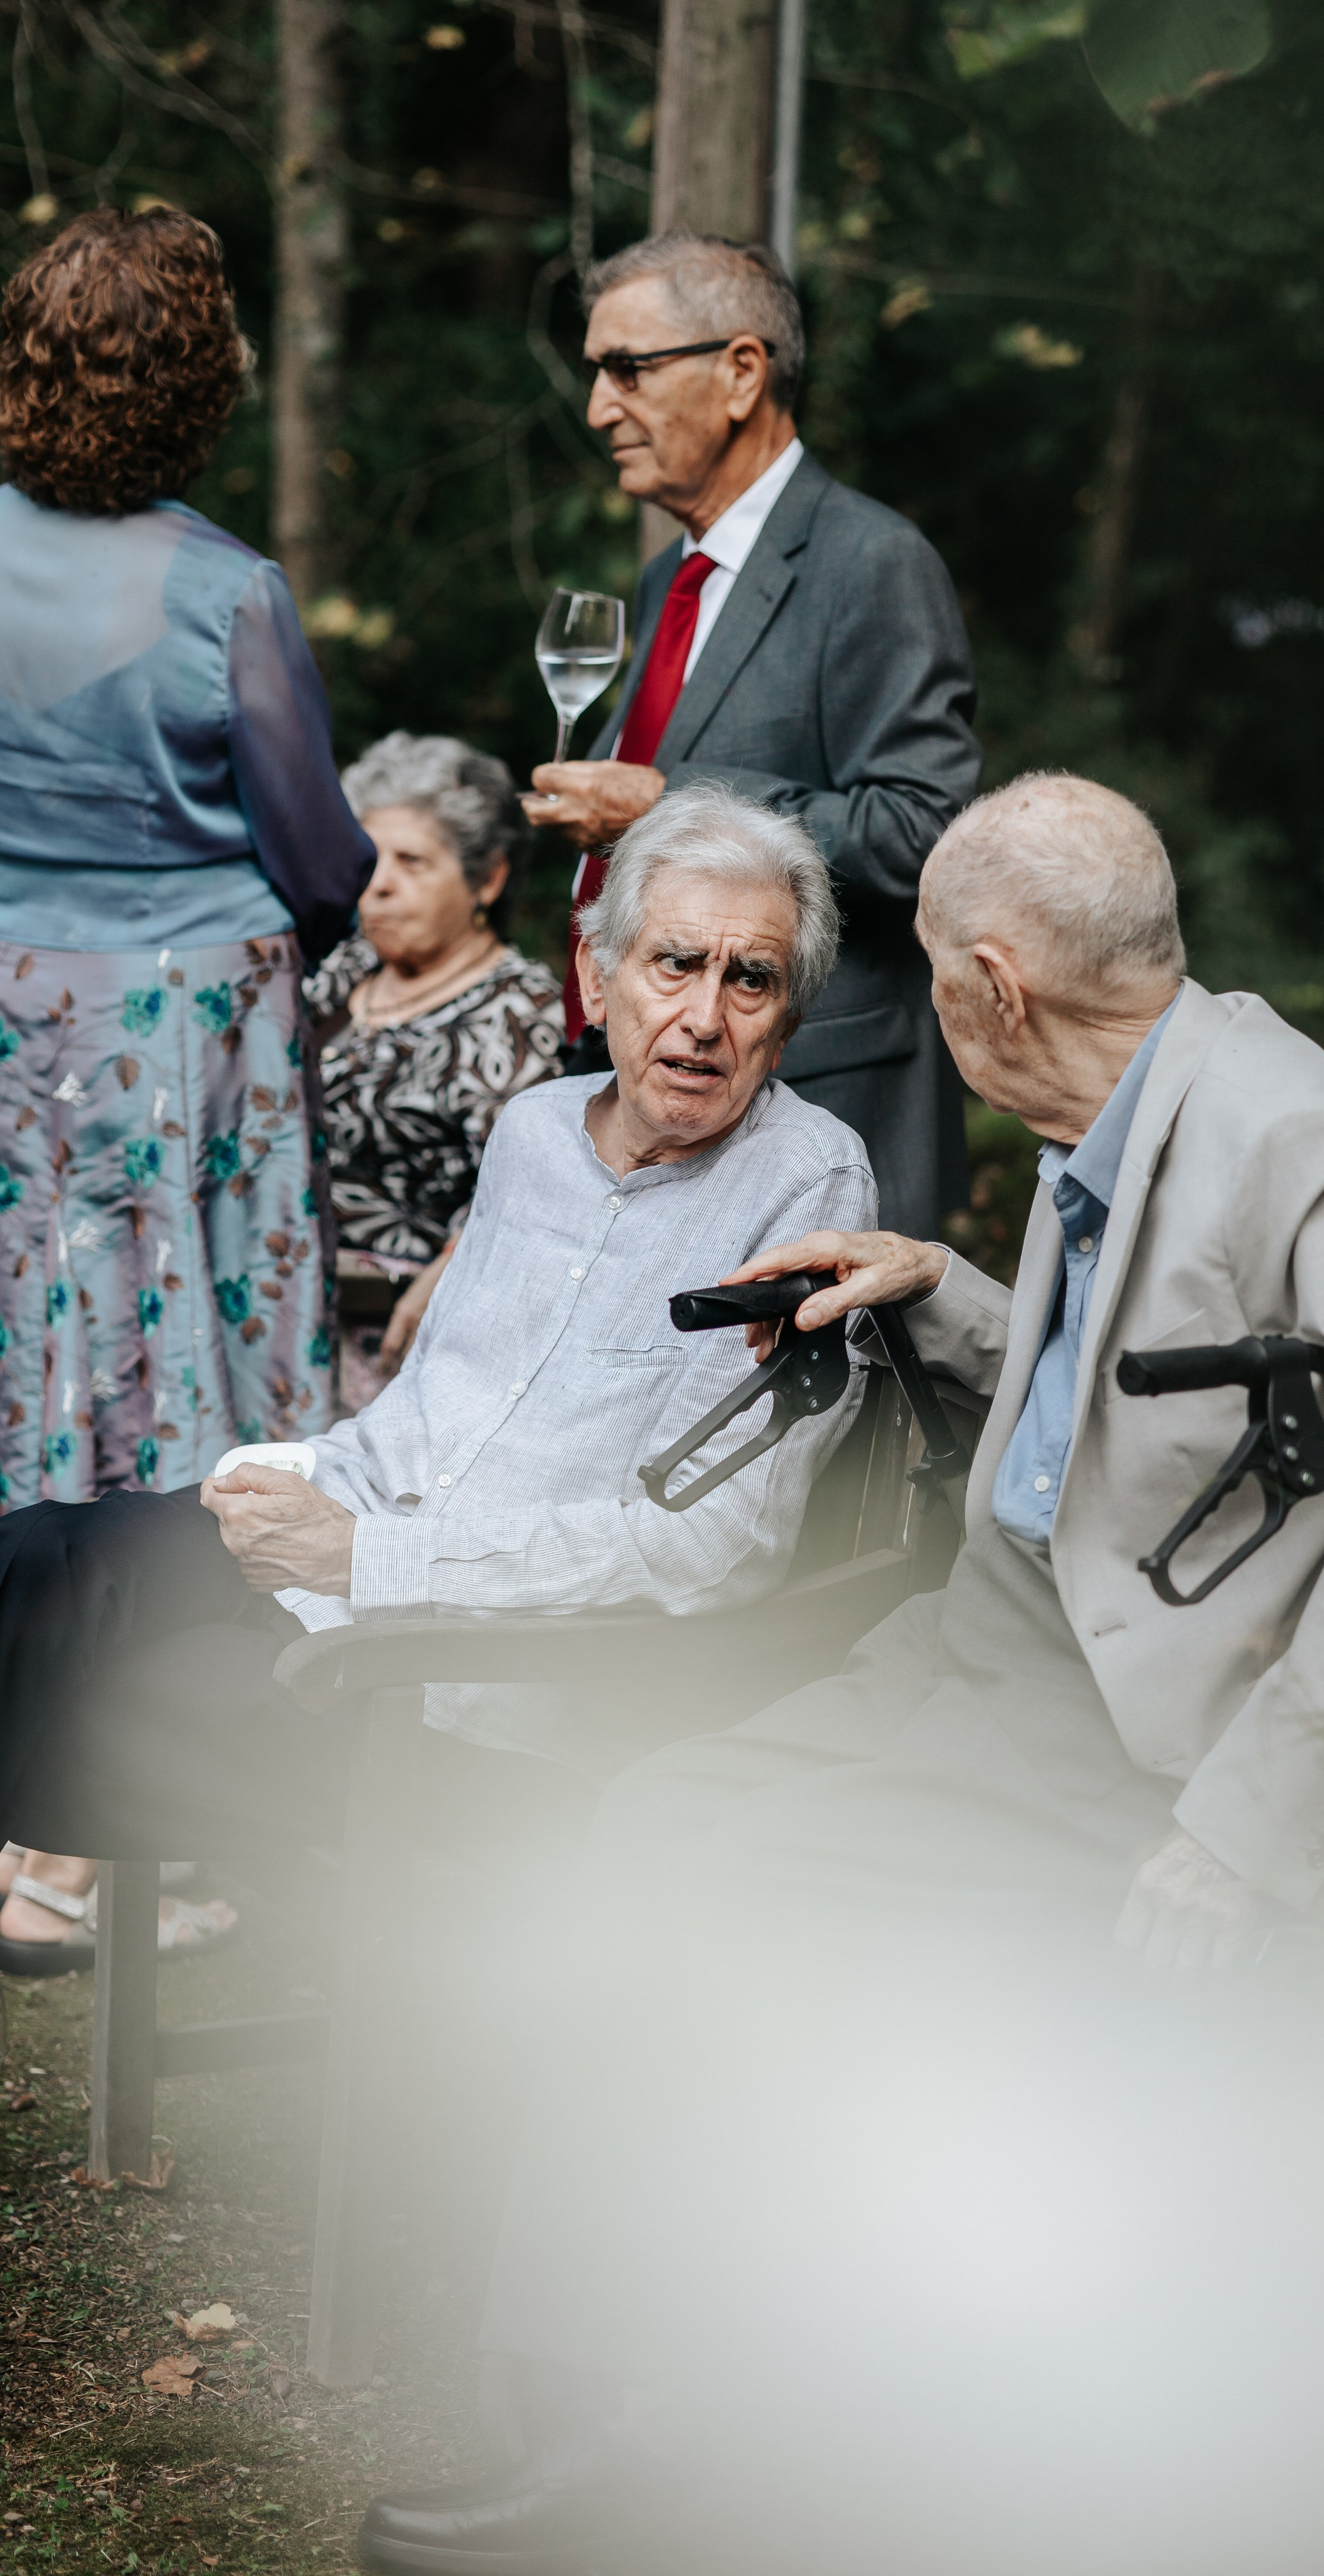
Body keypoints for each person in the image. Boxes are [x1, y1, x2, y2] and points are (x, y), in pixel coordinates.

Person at [355, 772, 1324, 2576]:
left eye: (924, 974)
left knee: (692, 1864)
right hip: (974, 1634)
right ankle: (649, 2381)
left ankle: (641, 2431)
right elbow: (1133, 1398)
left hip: (1110, 1717)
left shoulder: (1295, 1144)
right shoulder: (1131, 1096)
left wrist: (1247, 1827)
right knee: (647, 1809)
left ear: (989, 985)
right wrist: (939, 1286)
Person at [0, 787, 876, 1961]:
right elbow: (421, 1420)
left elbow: (715, 1546)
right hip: (342, 1580)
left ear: (790, 1016)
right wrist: (283, 1484)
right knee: (46, 1557)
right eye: (675, 964)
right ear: (597, 971)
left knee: (118, 1688)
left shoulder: (808, 1186)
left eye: (750, 980)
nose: (705, 1017)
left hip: (482, 1690)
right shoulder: (536, 1131)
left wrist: (361, 1559)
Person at [0, 206, 372, 1968]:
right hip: (186, 1044)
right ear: (200, 381)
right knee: (181, 1424)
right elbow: (321, 856)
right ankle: (133, 1838)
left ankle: (32, 1830)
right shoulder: (228, 595)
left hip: (11, 1022)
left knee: (32, 1389)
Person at [524, 230, 981, 1242]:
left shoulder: (873, 560)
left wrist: (664, 800)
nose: (599, 407)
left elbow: (925, 834)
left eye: (627, 369)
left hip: (820, 1107)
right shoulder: (668, 578)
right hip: (661, 1097)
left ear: (741, 372)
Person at [305, 733, 565, 1408]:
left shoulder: (519, 1009)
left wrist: (451, 1271)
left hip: (407, 1348)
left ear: (488, 879)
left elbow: (534, 1188)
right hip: (287, 1320)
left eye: (412, 861)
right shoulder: (342, 970)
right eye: (370, 859)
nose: (380, 884)